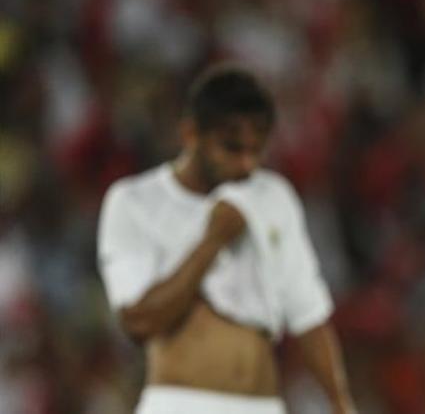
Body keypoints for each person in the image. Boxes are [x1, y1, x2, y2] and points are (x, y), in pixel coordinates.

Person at [96, 66, 355, 414]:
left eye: (257, 149)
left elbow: (308, 314)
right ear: (190, 134)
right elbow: (139, 322)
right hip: (178, 404)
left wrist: (341, 403)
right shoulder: (134, 202)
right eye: (232, 148)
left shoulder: (274, 196)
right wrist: (212, 241)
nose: (246, 164)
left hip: (263, 405)